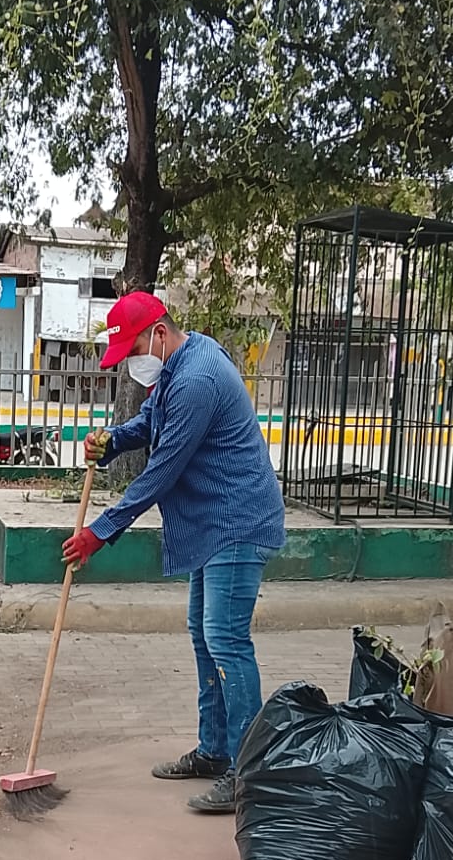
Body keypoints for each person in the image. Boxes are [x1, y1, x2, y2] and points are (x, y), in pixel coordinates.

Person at [62, 291, 286, 814]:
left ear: (159, 333)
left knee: (225, 639)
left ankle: (247, 774)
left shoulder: (197, 378)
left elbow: (162, 470)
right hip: (213, 523)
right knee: (204, 635)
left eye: (135, 349)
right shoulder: (181, 361)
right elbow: (150, 422)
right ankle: (214, 750)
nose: (133, 363)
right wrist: (113, 440)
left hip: (237, 521)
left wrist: (100, 531)